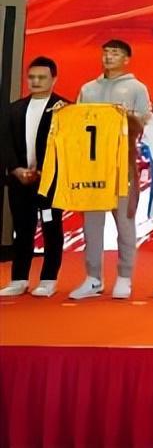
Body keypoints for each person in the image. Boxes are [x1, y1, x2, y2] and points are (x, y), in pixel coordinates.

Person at [70, 39, 151, 300]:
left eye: (115, 53)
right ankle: (93, 278)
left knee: (124, 222)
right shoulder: (88, 89)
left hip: (121, 163)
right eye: (105, 52)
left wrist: (126, 116)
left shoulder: (137, 88)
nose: (108, 57)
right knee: (92, 224)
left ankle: (125, 277)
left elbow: (144, 124)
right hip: (92, 165)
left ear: (126, 59)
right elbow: (76, 124)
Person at [0, 57, 67, 297]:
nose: (36, 81)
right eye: (32, 77)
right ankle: (19, 279)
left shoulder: (64, 109)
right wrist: (16, 169)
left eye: (42, 77)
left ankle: (48, 279)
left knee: (51, 229)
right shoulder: (14, 109)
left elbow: (68, 147)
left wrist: (45, 171)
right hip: (20, 180)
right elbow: (5, 143)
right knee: (22, 229)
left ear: (53, 79)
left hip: (50, 182)